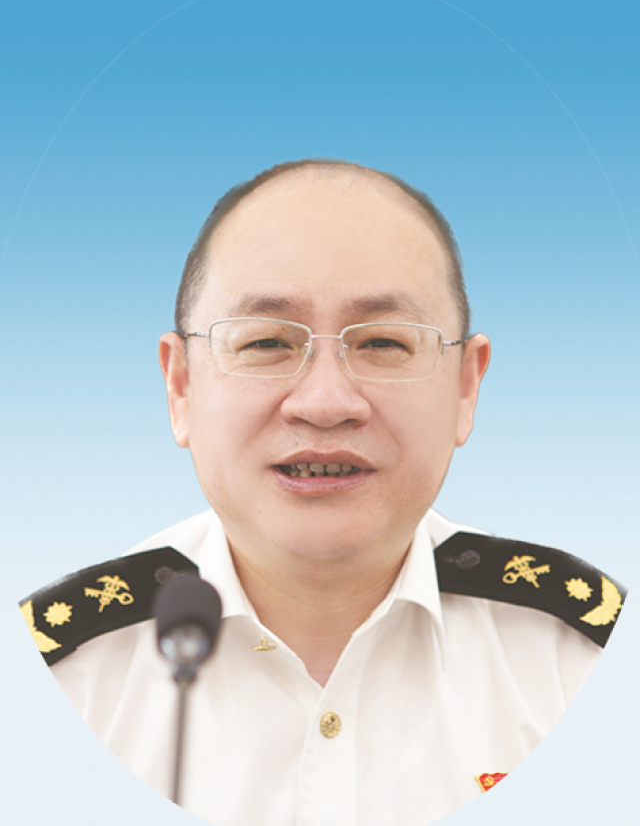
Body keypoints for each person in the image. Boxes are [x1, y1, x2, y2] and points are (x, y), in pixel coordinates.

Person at [20, 159, 625, 826]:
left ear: (465, 386)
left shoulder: (588, 664)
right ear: (181, 386)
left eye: (385, 342)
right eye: (267, 342)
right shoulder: (50, 683)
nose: (327, 403)